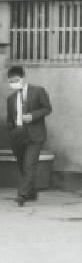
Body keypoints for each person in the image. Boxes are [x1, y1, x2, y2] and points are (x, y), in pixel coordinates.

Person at [6, 66, 52, 207]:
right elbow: (10, 119)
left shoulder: (38, 91)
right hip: (18, 135)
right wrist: (12, 132)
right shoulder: (11, 98)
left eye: (16, 80)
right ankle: (31, 192)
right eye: (11, 81)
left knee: (29, 165)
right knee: (22, 165)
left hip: (35, 135)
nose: (14, 83)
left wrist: (32, 116)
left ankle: (22, 195)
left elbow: (47, 108)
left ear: (22, 78)